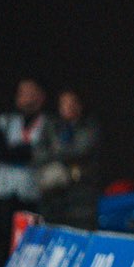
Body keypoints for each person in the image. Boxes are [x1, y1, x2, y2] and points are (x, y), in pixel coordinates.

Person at [0, 78, 51, 256]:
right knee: (4, 232)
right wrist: (26, 152)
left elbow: (44, 153)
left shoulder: (48, 123)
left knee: (31, 235)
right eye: (24, 93)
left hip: (34, 189)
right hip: (4, 188)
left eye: (33, 93)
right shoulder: (6, 120)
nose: (28, 98)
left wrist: (19, 151)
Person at [34, 89, 101, 229]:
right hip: (53, 197)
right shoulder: (51, 126)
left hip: (80, 195)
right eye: (64, 103)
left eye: (72, 103)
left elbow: (80, 151)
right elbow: (39, 152)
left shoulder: (89, 126)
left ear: (80, 105)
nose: (68, 107)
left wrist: (56, 153)